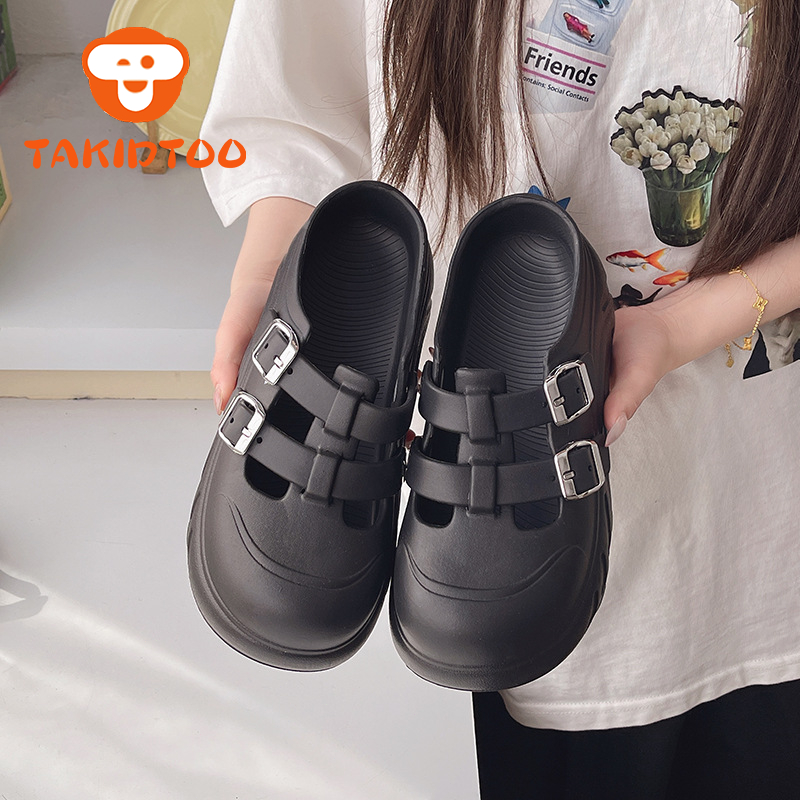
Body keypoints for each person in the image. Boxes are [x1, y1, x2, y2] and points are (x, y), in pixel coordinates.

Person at [199, 0, 800, 796]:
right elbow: (297, 102)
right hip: (491, 485)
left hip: (758, 492)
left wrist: (683, 323)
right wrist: (264, 276)